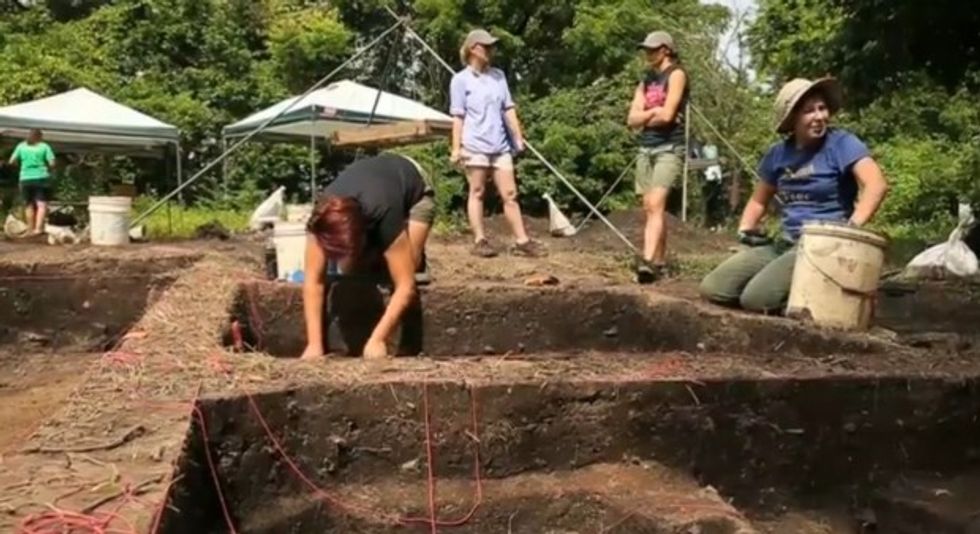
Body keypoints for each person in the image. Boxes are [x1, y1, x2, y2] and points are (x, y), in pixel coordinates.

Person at [699, 77, 889, 313]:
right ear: (792, 120)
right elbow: (759, 199)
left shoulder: (841, 143)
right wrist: (746, 230)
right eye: (809, 111)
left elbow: (876, 185)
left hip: (821, 245)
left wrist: (850, 229)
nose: (819, 116)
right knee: (714, 288)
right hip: (784, 243)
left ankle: (813, 302)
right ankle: (791, 292)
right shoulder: (778, 154)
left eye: (822, 108)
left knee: (756, 299)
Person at [301, 153, 435, 360]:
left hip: (413, 185)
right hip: (372, 190)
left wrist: (378, 339)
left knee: (409, 264)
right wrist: (314, 344)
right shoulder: (322, 219)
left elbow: (405, 285)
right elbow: (313, 282)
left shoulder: (384, 212)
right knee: (352, 272)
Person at [449, 28, 543, 258]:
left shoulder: (498, 76)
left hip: (500, 145)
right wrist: (456, 148)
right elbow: (458, 116)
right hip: (474, 145)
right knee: (478, 191)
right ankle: (480, 240)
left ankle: (522, 241)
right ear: (473, 49)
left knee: (510, 194)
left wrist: (518, 136)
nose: (491, 50)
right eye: (486, 46)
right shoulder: (460, 81)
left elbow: (508, 108)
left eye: (492, 46)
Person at [627, 31, 689, 284]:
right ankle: (660, 262)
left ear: (666, 50)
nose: (647, 54)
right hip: (646, 148)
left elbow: (669, 115)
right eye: (646, 49)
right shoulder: (646, 79)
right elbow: (631, 120)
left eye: (652, 49)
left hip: (669, 148)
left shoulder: (676, 74)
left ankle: (648, 261)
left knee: (656, 204)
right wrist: (654, 110)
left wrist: (647, 115)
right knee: (650, 207)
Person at [6, 129, 56, 235]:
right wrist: (47, 168)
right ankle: (38, 229)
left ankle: (30, 229)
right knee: (41, 205)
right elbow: (52, 163)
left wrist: (20, 166)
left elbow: (11, 161)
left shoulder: (21, 146)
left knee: (28, 204)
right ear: (40, 137)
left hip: (25, 178)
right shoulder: (44, 146)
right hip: (41, 177)